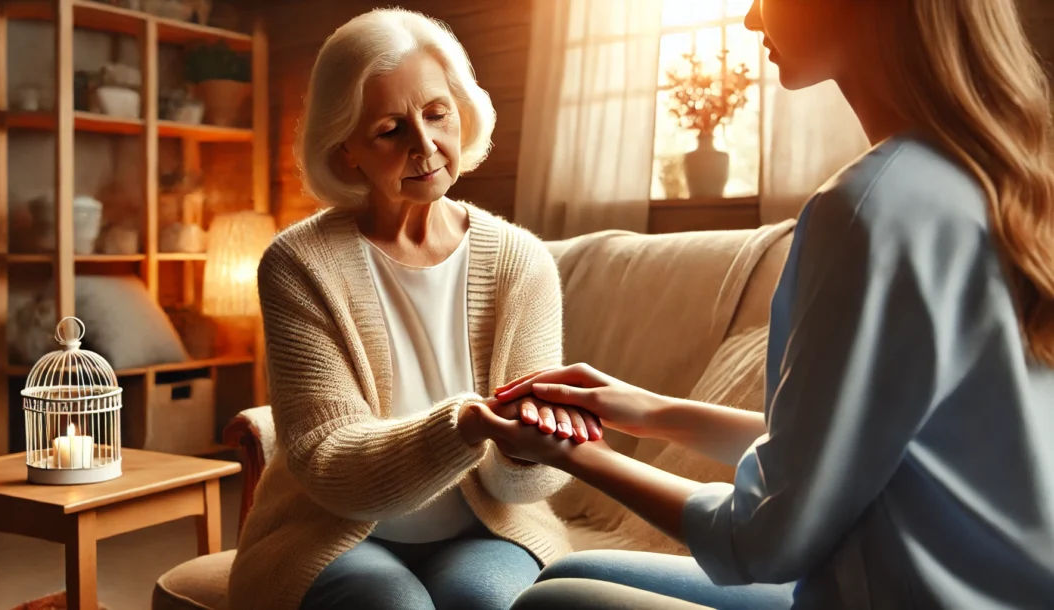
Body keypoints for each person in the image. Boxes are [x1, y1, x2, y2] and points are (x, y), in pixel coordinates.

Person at [467, 1, 1054, 608]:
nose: (751, 19)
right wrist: (647, 410)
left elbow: (765, 538)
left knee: (550, 603)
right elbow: (846, 445)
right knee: (574, 574)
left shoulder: (868, 209)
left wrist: (578, 455)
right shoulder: (1004, 180)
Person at [226, 8, 602, 610]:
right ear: (346, 148)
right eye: (390, 129)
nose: (424, 145)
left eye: (436, 114)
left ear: (461, 111)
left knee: (488, 603)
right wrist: (465, 425)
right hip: (333, 534)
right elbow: (327, 459)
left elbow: (535, 479)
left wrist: (529, 443)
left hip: (489, 530)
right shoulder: (298, 265)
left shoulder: (522, 262)